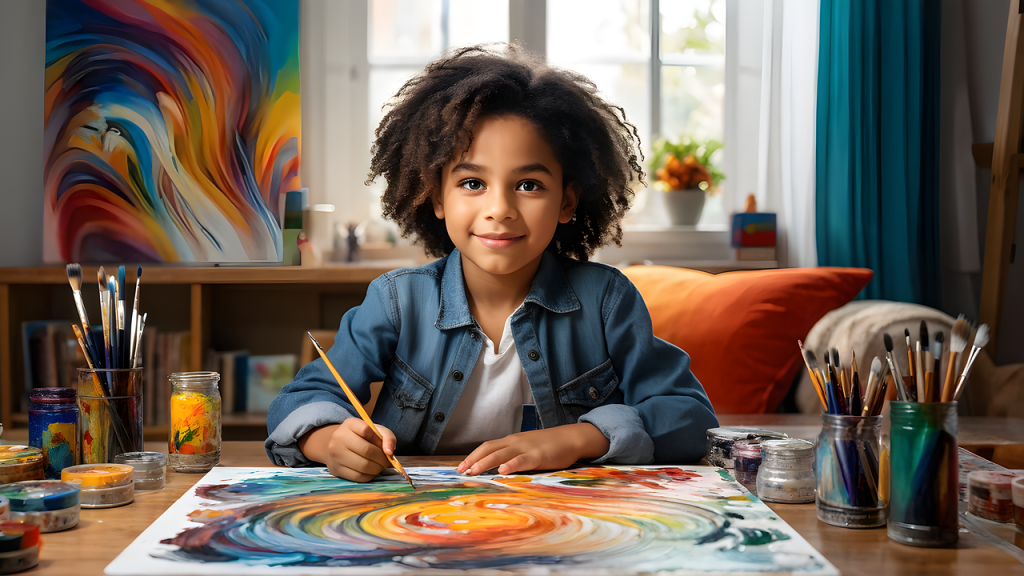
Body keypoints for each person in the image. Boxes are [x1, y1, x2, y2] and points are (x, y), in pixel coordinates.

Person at [266, 44, 718, 482]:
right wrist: (330, 442)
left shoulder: (606, 300)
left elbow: (690, 418)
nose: (499, 209)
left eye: (528, 185)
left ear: (567, 201)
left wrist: (583, 437)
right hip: (420, 518)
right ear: (436, 196)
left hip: (562, 527)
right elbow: (300, 401)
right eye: (472, 182)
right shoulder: (396, 300)